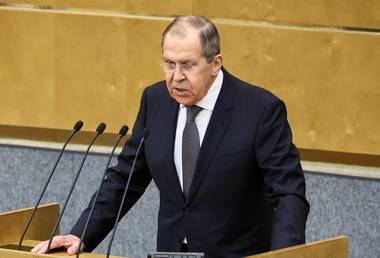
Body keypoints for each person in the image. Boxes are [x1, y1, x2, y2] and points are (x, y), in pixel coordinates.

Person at [32, 16, 309, 257]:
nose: (176, 77)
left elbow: (288, 193)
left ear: (215, 63)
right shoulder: (155, 100)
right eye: (168, 63)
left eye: (188, 65)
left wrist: (285, 255)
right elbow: (126, 178)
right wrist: (82, 233)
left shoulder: (259, 109)